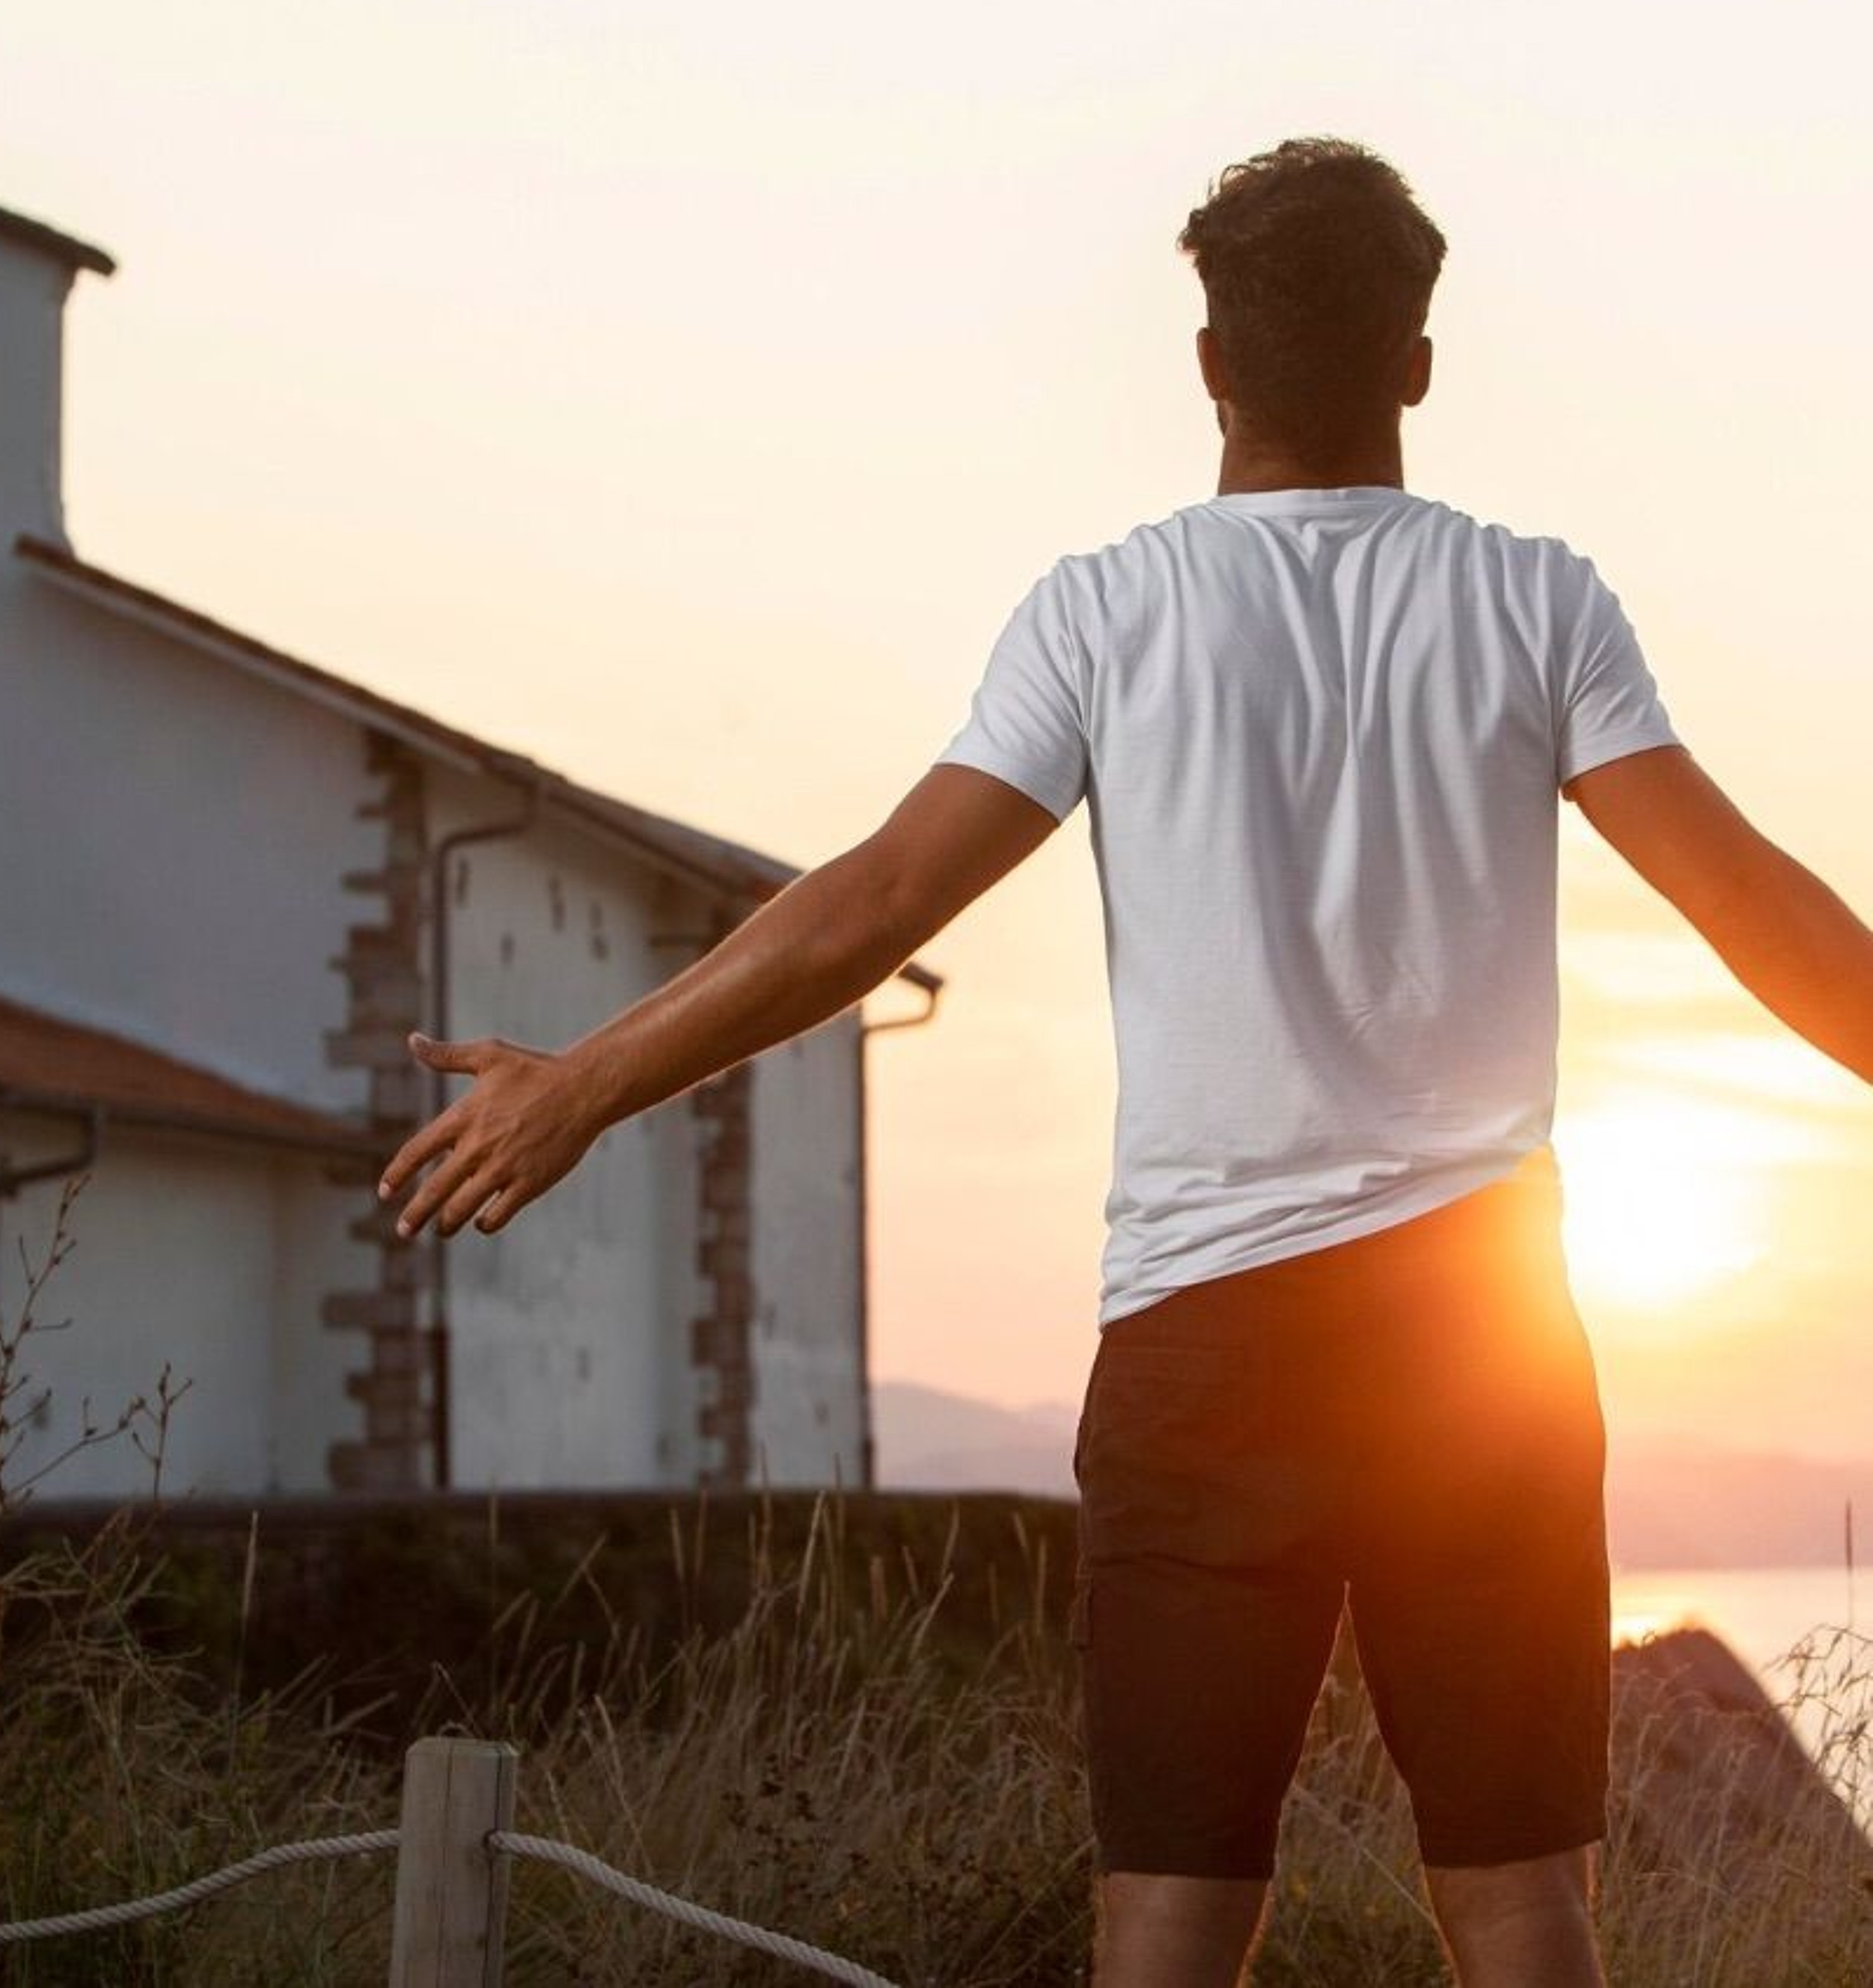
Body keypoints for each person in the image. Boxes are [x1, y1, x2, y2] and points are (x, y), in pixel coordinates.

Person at [377, 137, 1873, 1988]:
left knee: (1167, 1917)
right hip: (1476, 1335)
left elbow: (875, 901)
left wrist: (579, 1085)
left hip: (1206, 1338)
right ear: (1418, 359)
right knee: (1519, 1900)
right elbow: (1754, 908)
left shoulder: (1104, 611)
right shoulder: (1535, 602)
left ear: (1208, 363)